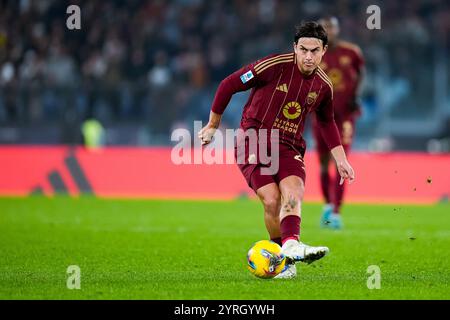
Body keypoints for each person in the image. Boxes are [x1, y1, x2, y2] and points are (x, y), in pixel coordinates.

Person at [198, 22, 355, 279]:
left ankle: (291, 246)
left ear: (324, 51)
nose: (308, 56)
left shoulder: (323, 86)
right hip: (254, 139)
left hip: (289, 146)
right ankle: (286, 254)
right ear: (295, 47)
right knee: (271, 200)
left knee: (293, 190)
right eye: (303, 49)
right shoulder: (273, 66)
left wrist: (341, 160)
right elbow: (229, 84)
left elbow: (327, 122)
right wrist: (213, 125)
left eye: (314, 50)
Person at [314, 17, 365, 229]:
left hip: (344, 117)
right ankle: (327, 205)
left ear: (337, 29)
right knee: (324, 163)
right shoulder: (313, 55)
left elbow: (361, 74)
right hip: (321, 116)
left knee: (340, 161)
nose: (329, 31)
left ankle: (336, 212)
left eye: (331, 27)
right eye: (324, 28)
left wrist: (356, 95)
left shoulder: (352, 52)